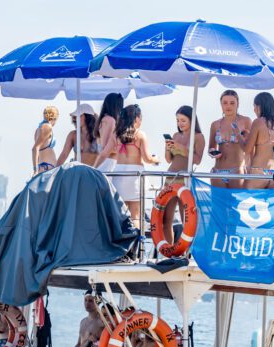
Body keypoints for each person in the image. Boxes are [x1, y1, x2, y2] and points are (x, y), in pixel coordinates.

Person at [105, 104, 160, 228]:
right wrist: (156, 159)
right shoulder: (140, 135)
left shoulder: (116, 134)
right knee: (135, 215)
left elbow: (104, 153)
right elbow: (147, 158)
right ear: (136, 118)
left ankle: (123, 245)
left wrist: (94, 168)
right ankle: (136, 246)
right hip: (135, 177)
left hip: (119, 175)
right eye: (141, 118)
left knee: (121, 215)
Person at [163, 106, 205, 243]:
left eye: (183, 120)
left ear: (192, 121)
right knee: (166, 218)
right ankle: (168, 250)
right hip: (170, 178)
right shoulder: (175, 136)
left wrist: (183, 149)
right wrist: (167, 148)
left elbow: (198, 160)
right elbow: (169, 160)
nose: (179, 124)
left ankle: (186, 251)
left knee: (185, 218)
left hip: (185, 180)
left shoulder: (198, 137)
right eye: (177, 120)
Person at [208, 90, 253, 189]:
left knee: (235, 203)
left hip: (237, 171)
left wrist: (250, 169)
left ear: (238, 104)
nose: (228, 106)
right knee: (218, 203)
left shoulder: (246, 121)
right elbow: (211, 147)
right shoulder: (215, 124)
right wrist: (212, 152)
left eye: (232, 103)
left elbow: (251, 148)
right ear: (221, 104)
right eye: (225, 103)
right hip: (217, 172)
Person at [242, 92, 274, 189]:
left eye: (254, 106)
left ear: (259, 106)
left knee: (248, 202)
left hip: (259, 171)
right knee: (272, 204)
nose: (254, 110)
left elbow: (247, 150)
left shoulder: (258, 122)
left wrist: (239, 137)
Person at [93, 92, 125, 172]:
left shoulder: (104, 119)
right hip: (107, 162)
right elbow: (105, 146)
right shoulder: (110, 120)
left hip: (107, 162)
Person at [32, 106, 59, 174]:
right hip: (47, 168)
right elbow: (35, 148)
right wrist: (35, 170)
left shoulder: (38, 129)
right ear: (55, 117)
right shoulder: (47, 127)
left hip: (44, 167)